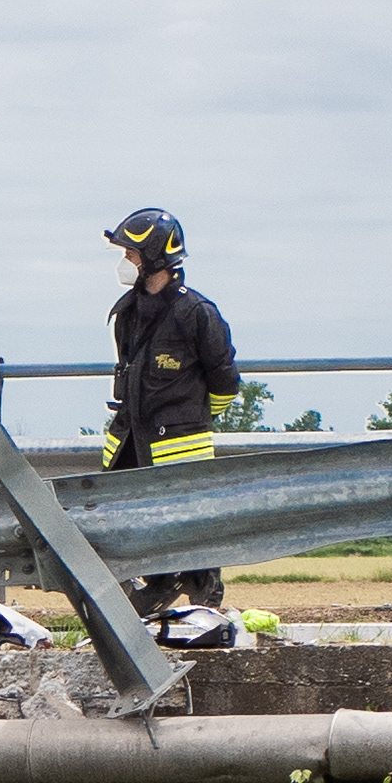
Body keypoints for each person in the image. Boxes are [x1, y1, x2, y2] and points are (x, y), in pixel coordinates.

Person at [102, 203, 237, 622]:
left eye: (132, 254)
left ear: (156, 257)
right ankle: (146, 597)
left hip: (177, 447)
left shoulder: (196, 313)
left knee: (189, 535)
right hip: (129, 442)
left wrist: (190, 421)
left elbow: (225, 383)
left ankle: (199, 598)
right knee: (116, 528)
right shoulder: (125, 313)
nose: (126, 262)